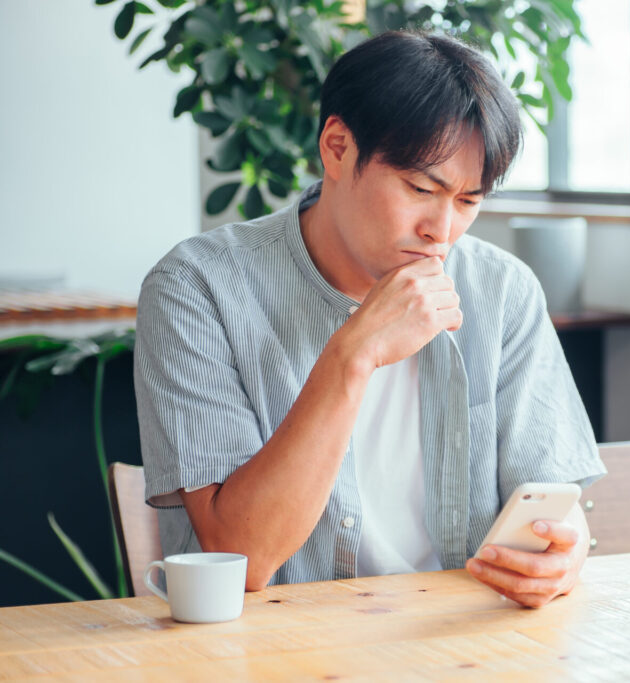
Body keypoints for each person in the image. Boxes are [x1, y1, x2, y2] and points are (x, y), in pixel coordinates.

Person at [134, 30, 605, 609]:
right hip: (278, 653)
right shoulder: (197, 287)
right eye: (420, 188)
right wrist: (353, 355)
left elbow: (552, 499)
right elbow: (243, 556)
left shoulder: (501, 291)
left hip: (463, 645)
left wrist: (566, 550)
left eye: (468, 201)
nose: (443, 230)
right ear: (337, 148)